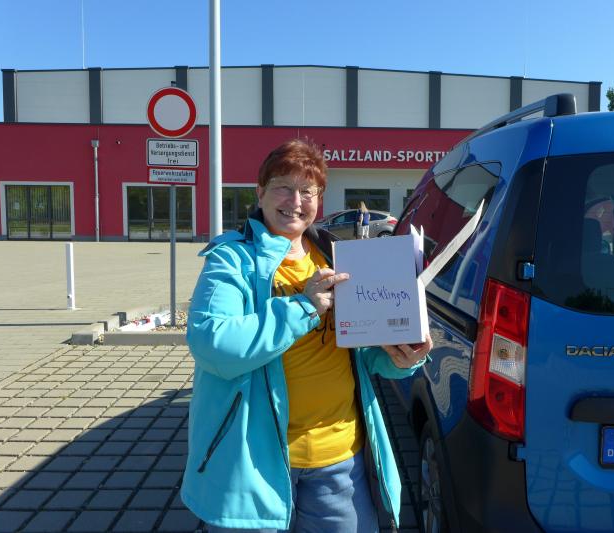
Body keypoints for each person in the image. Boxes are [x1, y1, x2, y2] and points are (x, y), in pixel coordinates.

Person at [181, 139, 432, 533]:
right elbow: (213, 344)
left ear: (319, 198)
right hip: (254, 462)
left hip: (340, 460)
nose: (295, 201)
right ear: (260, 193)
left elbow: (358, 351)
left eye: (307, 191)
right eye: (283, 186)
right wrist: (303, 306)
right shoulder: (232, 259)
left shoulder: (337, 256)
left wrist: (401, 356)